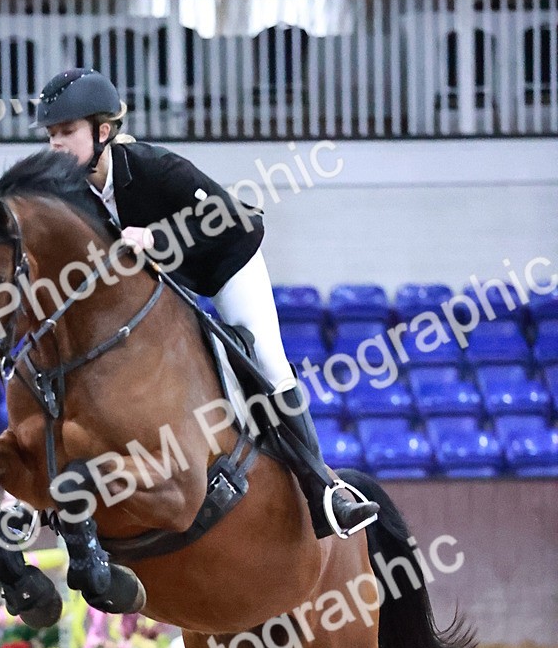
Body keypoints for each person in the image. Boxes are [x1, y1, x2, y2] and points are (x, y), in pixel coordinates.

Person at [31, 68, 378, 540]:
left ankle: (324, 492)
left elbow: (231, 218)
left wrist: (157, 237)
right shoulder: (66, 194)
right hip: (172, 284)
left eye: (66, 132)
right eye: (51, 134)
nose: (55, 144)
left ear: (103, 131)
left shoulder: (154, 168)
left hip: (228, 264)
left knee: (268, 364)